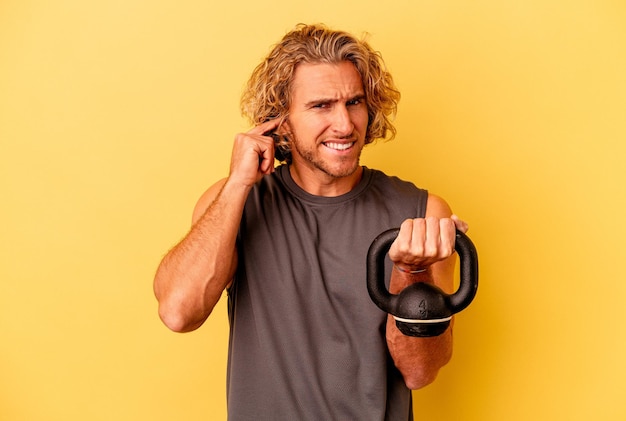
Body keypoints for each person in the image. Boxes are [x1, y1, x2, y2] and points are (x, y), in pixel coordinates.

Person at [154, 23, 468, 421]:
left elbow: (420, 372)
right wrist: (237, 184)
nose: (344, 125)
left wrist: (412, 272)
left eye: (354, 102)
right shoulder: (235, 202)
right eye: (321, 106)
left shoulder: (422, 214)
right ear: (281, 120)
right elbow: (178, 313)